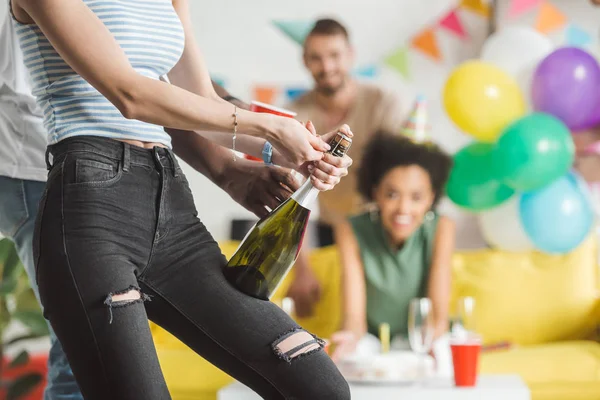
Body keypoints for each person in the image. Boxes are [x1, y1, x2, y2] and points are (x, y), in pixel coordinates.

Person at [8, 0, 353, 399]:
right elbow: (130, 93)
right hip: (90, 208)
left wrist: (297, 149)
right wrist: (274, 129)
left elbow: (205, 101)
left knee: (319, 385)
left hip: (171, 206)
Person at [286, 18, 410, 317]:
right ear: (305, 61)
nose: (326, 66)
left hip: (383, 228)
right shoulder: (296, 115)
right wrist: (301, 268)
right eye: (316, 57)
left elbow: (401, 177)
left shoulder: (383, 103)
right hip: (328, 231)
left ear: (350, 55)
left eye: (334, 55)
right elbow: (288, 195)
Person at [329, 133, 455, 364]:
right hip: (372, 339)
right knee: (352, 358)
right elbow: (353, 316)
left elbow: (437, 314)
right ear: (376, 193)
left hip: (423, 336)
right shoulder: (350, 229)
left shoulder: (442, 228)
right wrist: (349, 339)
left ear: (431, 198)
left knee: (440, 355)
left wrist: (430, 342)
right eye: (392, 194)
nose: (403, 209)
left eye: (416, 197)